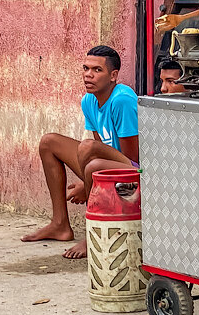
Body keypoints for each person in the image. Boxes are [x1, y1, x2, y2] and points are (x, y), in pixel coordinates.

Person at [21, 46, 139, 259]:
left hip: (134, 176)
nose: (88, 75)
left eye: (96, 70)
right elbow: (98, 150)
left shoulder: (123, 100)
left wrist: (87, 184)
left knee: (88, 152)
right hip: (106, 168)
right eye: (85, 68)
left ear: (113, 76)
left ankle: (92, 234)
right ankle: (60, 224)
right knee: (49, 142)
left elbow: (133, 161)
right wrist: (88, 180)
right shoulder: (89, 101)